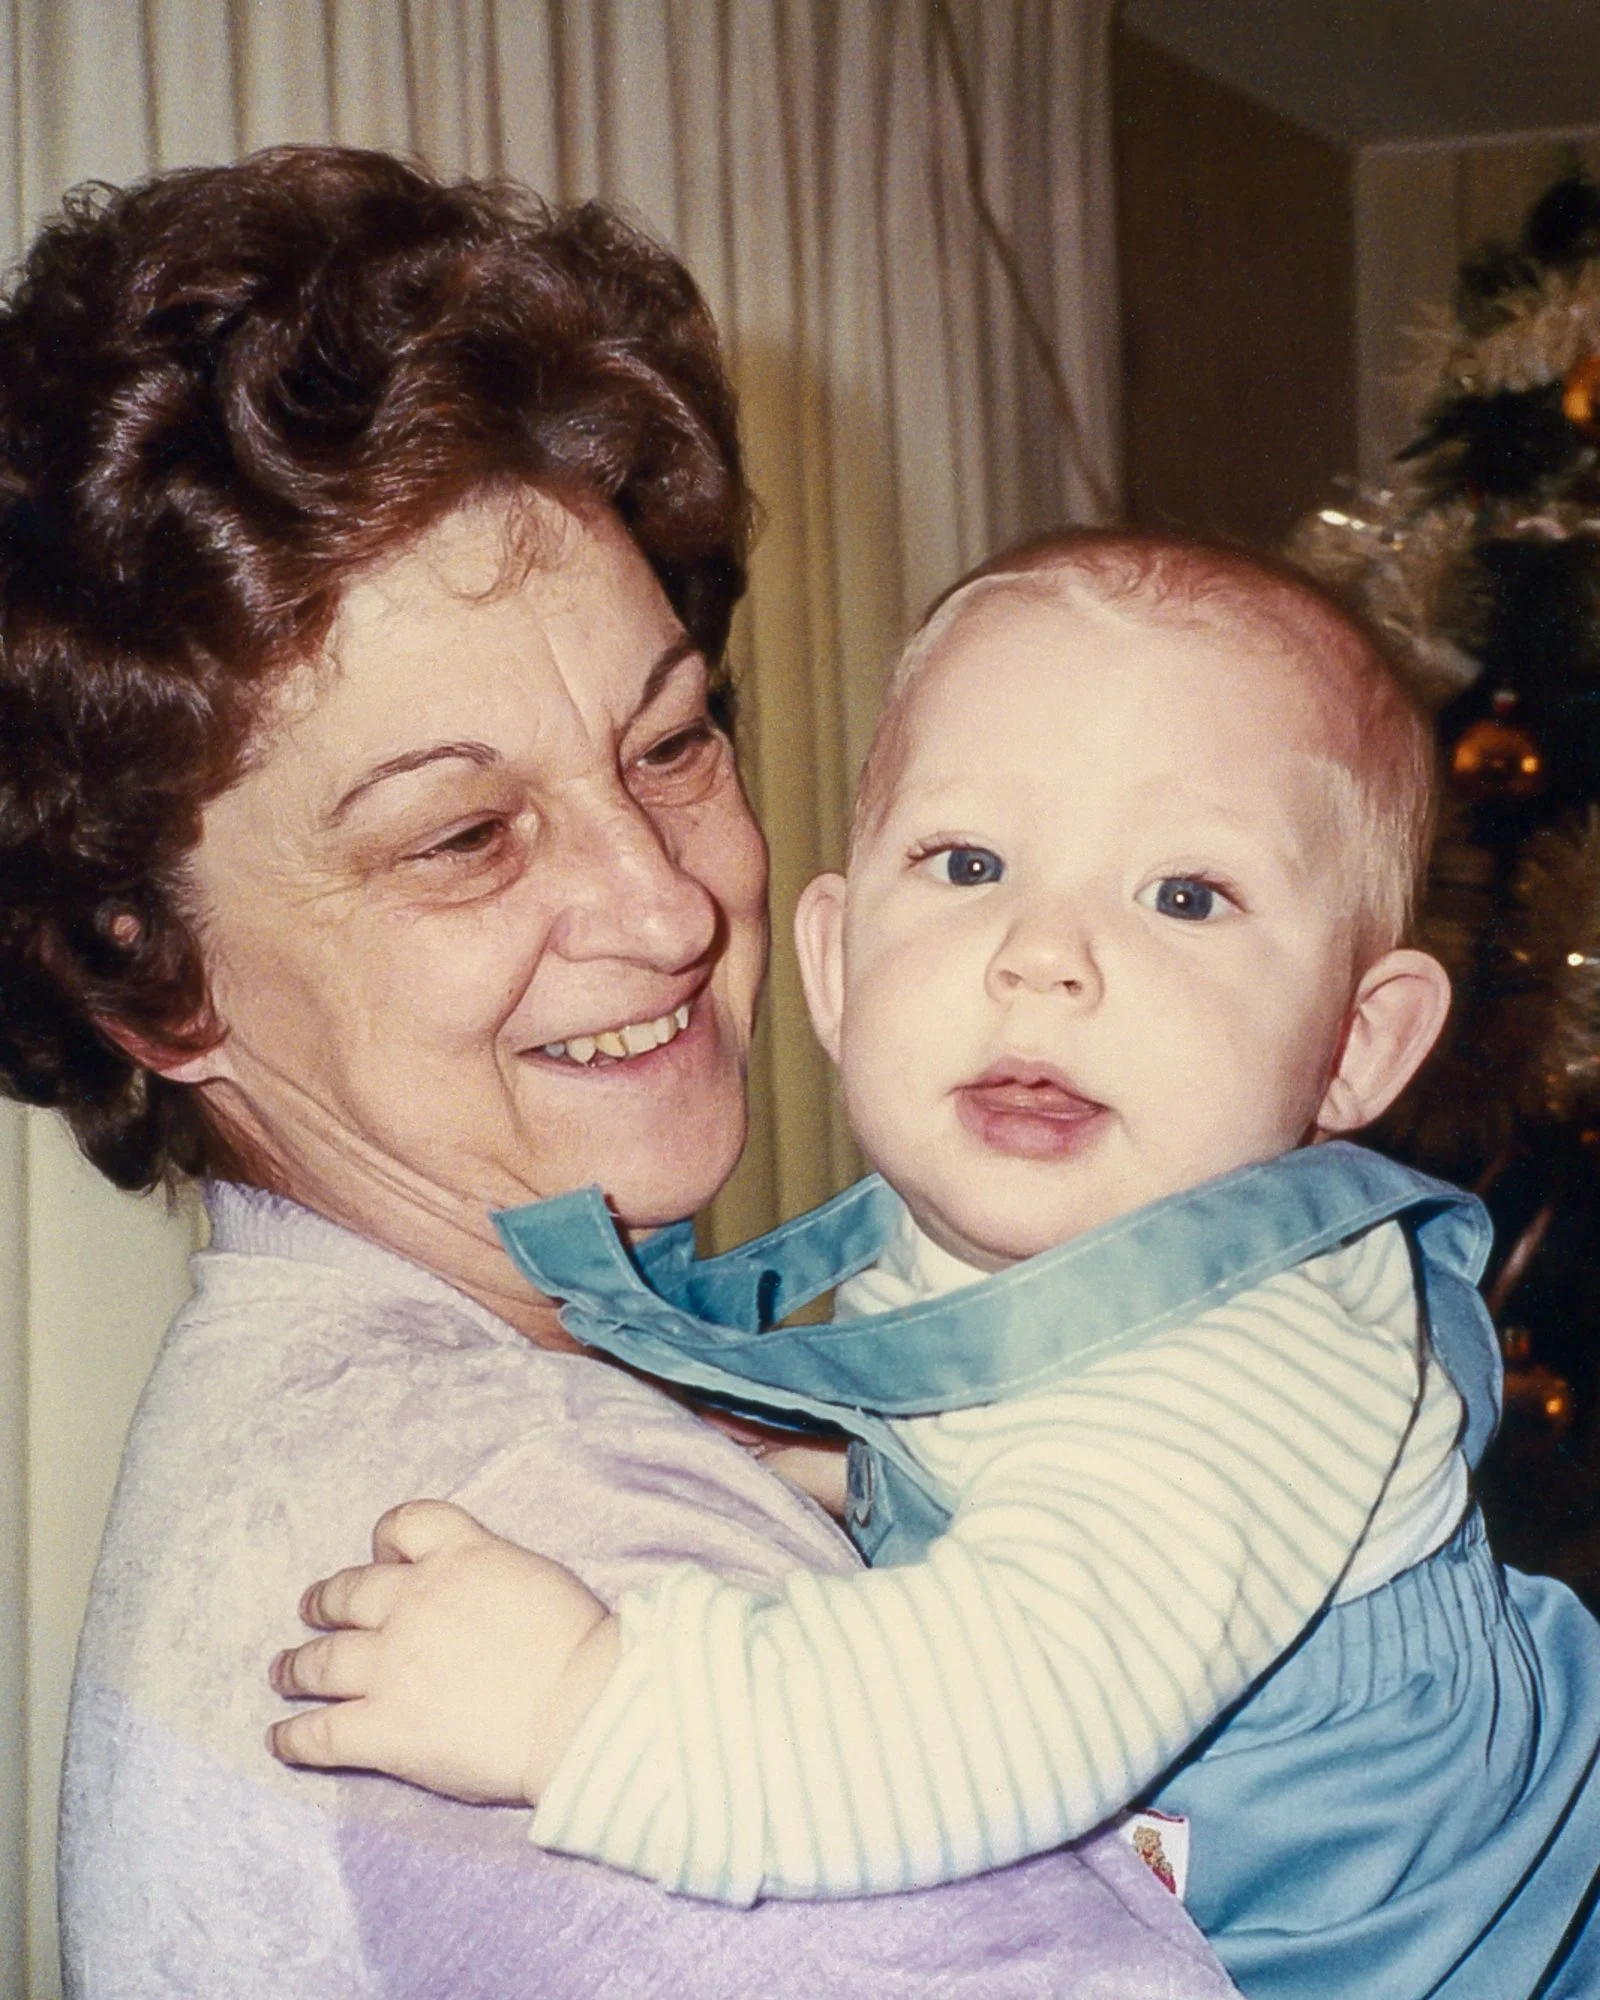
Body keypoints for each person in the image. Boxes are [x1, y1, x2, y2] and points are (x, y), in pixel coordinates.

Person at [0, 150, 1237, 1997]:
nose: (664, 908)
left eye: (670, 741)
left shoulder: (402, 1418)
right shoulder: (525, 1578)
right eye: (464, 837)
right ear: (150, 976)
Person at [272, 531, 1600, 1999]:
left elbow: (995, 1711)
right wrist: (848, 1469)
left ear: (1357, 1043)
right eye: (968, 863)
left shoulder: (1253, 1358)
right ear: (838, 967)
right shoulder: (1048, 1223)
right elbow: (1031, 1442)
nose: (1044, 955)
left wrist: (589, 1709)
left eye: (1184, 897)